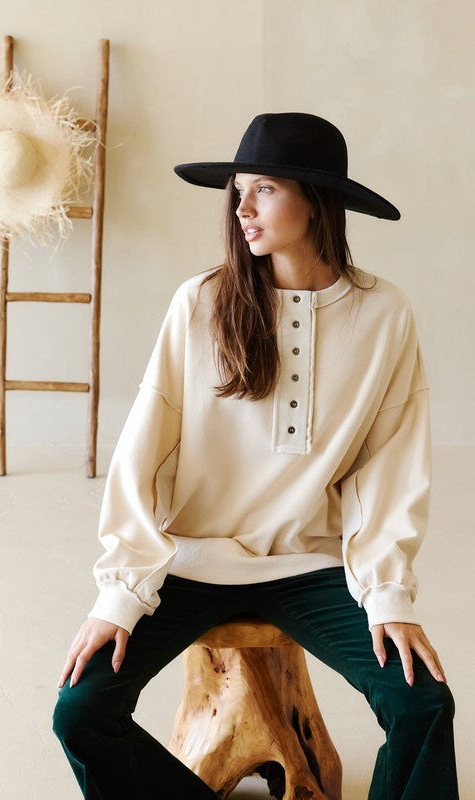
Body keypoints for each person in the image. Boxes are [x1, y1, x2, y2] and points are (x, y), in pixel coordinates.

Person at [53, 113, 458, 799]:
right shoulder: (202, 302)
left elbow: (388, 464)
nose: (241, 209)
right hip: (191, 563)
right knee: (80, 710)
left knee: (423, 704)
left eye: (263, 189)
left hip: (311, 566)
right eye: (237, 191)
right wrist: (120, 592)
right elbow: (143, 454)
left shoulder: (383, 313)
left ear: (317, 200)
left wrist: (388, 592)